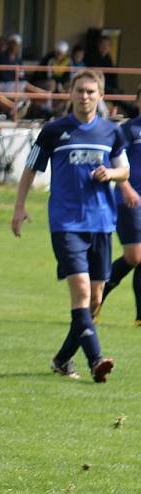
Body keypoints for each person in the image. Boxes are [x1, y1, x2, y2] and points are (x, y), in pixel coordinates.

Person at [12, 69, 128, 382]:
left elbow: (124, 170)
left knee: (96, 298)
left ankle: (63, 359)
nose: (85, 96)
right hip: (66, 223)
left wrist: (111, 175)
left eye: (91, 91)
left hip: (102, 223)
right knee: (80, 291)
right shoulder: (53, 131)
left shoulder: (111, 132)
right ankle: (96, 360)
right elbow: (30, 169)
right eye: (80, 91)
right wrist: (20, 207)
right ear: (70, 94)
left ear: (101, 95)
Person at [94, 86, 141, 325]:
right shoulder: (128, 131)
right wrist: (126, 189)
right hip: (129, 200)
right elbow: (117, 164)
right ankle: (96, 297)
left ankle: (140, 316)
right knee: (134, 257)